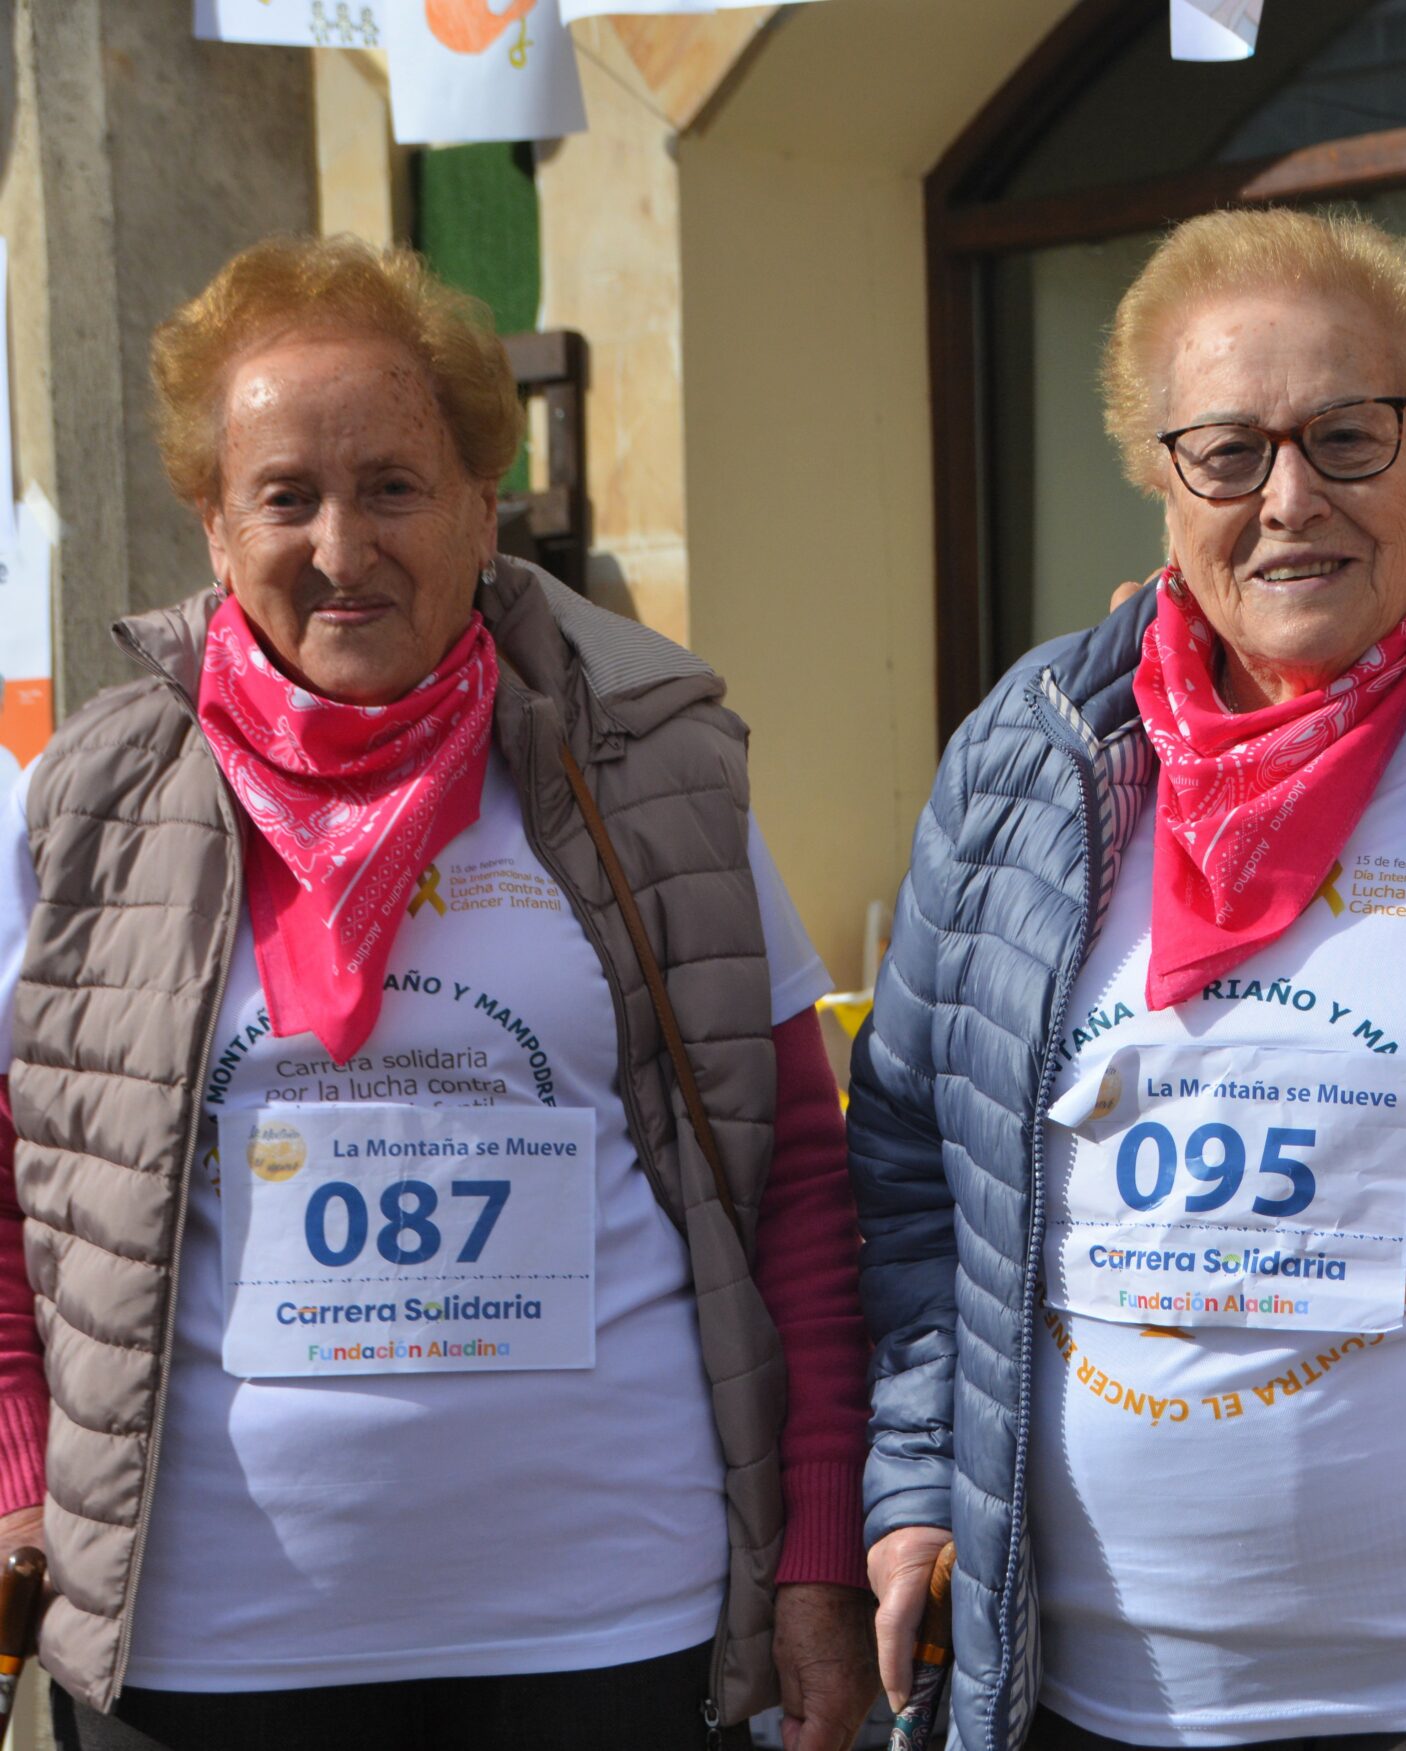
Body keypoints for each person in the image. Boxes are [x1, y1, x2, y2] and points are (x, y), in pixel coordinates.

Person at [849, 206, 1406, 1751]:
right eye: (1228, 450)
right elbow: (906, 1163)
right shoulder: (1030, 756)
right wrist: (912, 1482)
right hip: (1099, 1701)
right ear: (1158, 476)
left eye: (1351, 436)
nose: (1291, 500)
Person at [0, 236, 877, 1751]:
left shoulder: (655, 772)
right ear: (214, 524)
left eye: (395, 486)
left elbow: (795, 1174)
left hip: (610, 1626)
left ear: (483, 505)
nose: (343, 545)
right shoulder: (84, 800)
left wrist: (812, 1550)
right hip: (209, 1649)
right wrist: (19, 1474)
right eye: (285, 496)